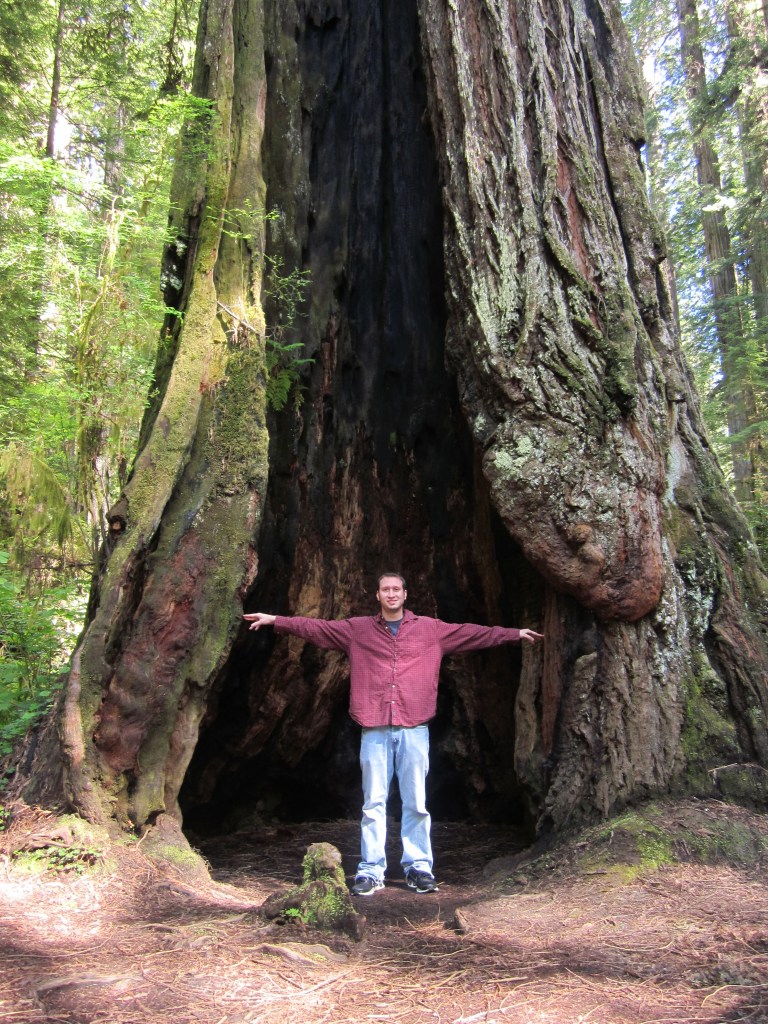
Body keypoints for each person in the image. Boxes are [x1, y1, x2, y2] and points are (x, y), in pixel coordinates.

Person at [243, 573, 543, 896]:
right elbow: (317, 629)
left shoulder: (431, 630)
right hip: (374, 728)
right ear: (377, 595)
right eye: (385, 589)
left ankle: (418, 867)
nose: (391, 594)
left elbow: (473, 634)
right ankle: (371, 870)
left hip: (414, 728)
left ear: (405, 594)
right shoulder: (357, 630)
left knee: (416, 802)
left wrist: (513, 634)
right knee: (373, 803)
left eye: (396, 589)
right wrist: (275, 620)